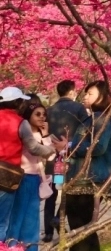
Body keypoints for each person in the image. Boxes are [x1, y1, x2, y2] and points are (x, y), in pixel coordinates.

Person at [65, 80, 111, 251]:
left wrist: (71, 147)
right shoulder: (92, 118)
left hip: (89, 180)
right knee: (80, 227)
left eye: (90, 94)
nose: (85, 97)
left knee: (82, 228)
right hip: (81, 178)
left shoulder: (101, 119)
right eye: (86, 93)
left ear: (102, 97)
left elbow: (98, 147)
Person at [10, 99, 67, 248]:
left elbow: (52, 156)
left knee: (32, 217)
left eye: (44, 114)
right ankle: (11, 246)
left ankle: (30, 247)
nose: (42, 117)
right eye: (38, 114)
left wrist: (46, 134)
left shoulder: (44, 135)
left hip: (35, 179)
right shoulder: (24, 133)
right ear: (28, 115)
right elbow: (42, 151)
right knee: (18, 215)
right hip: (23, 178)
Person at [44, 80, 89, 243]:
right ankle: (58, 218)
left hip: (54, 158)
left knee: (52, 193)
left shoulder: (50, 110)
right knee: (67, 190)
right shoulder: (79, 109)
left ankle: (48, 232)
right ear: (72, 92)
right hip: (70, 157)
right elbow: (87, 129)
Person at [0, 86, 31, 243]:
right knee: (1, 221)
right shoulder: (21, 122)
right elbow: (33, 146)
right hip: (6, 176)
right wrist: (49, 150)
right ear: (18, 103)